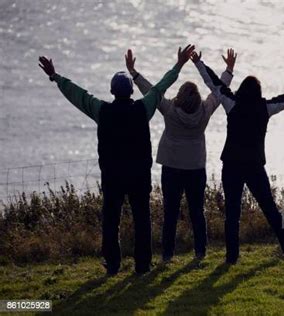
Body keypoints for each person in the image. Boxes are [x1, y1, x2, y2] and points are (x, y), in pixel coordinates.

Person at [37, 44, 195, 275]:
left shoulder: (102, 111)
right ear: (131, 92)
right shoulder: (143, 108)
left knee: (111, 222)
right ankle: (143, 265)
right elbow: (161, 87)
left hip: (112, 176)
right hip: (139, 175)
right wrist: (179, 64)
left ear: (112, 92)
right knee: (142, 220)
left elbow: (78, 95)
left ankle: (112, 264)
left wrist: (55, 76)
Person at [191, 51, 284, 264]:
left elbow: (213, 84)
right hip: (254, 165)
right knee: (269, 207)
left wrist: (198, 62)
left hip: (231, 164)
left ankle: (232, 258)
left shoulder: (232, 103)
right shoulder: (265, 108)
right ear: (258, 92)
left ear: (240, 90)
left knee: (232, 213)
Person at [124, 48, 237, 262]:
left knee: (170, 214)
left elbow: (152, 92)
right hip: (195, 168)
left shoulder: (169, 110)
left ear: (180, 96)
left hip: (172, 167)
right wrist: (229, 70)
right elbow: (219, 91)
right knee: (197, 212)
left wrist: (134, 73)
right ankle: (200, 252)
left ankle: (167, 255)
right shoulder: (205, 110)